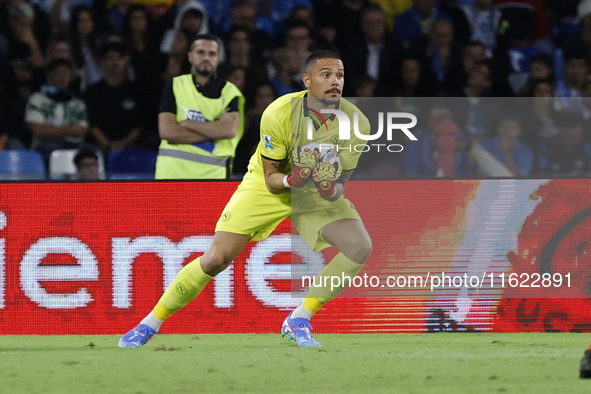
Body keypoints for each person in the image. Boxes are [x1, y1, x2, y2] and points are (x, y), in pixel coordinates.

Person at [118, 50, 373, 348]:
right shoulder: (279, 113)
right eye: (325, 74)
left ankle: (299, 319)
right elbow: (272, 179)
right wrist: (296, 179)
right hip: (268, 187)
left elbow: (338, 185)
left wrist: (326, 183)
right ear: (307, 80)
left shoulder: (357, 123)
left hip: (312, 193)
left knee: (359, 246)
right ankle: (150, 323)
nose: (334, 82)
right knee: (216, 259)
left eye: (339, 75)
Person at [154, 33, 244, 179]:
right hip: (171, 176)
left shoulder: (230, 92)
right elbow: (167, 132)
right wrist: (214, 130)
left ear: (219, 58)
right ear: (190, 56)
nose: (206, 58)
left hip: (213, 178)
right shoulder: (175, 85)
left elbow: (228, 130)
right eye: (201, 52)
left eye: (212, 53)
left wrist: (187, 123)